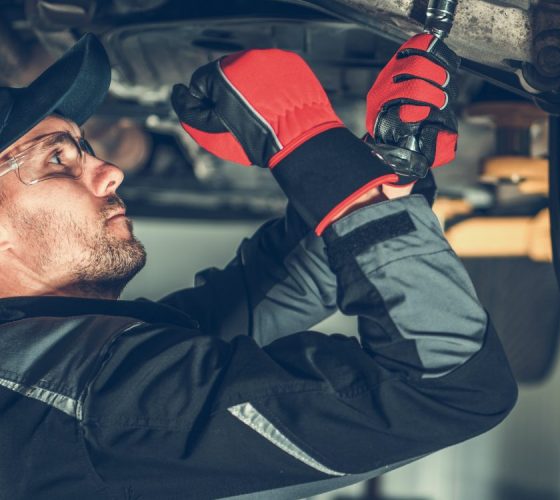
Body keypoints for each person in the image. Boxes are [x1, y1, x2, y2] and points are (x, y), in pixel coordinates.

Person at [0, 32, 517, 500]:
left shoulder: (49, 365)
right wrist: (305, 139)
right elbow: (449, 385)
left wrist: (380, 165)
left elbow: (264, 296)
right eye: (57, 160)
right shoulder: (82, 405)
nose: (110, 170)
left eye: (84, 149)